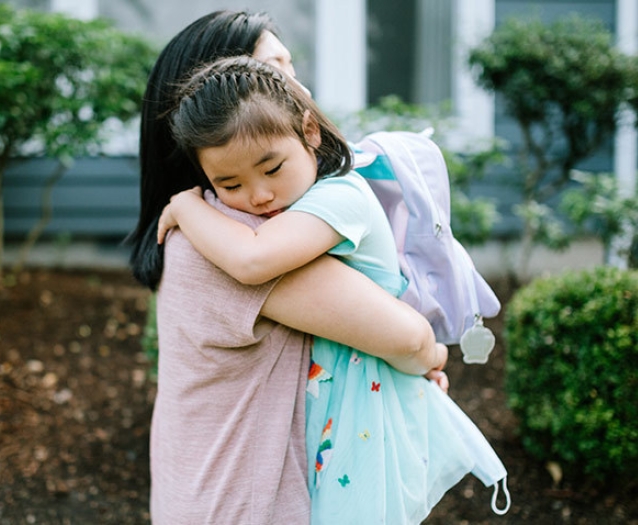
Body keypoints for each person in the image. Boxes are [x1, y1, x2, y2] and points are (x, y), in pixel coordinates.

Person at [128, 11, 460, 524]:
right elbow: (408, 338)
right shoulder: (233, 239)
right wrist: (432, 356)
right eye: (272, 73)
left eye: (290, 70)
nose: (298, 89)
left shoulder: (208, 225)